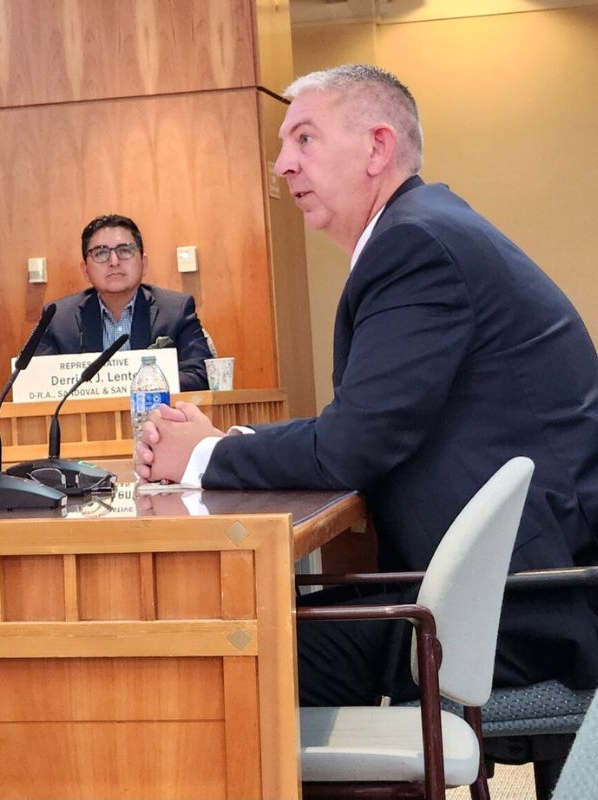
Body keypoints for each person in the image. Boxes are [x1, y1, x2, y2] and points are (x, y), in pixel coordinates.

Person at [136, 65, 598, 706]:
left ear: (377, 148)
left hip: (518, 608)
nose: (281, 166)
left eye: (304, 139)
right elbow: (362, 424)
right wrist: (223, 441)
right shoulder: (427, 229)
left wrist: (207, 456)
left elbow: (352, 444)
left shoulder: (416, 245)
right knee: (252, 626)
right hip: (496, 585)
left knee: (219, 660)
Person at [35, 214, 214, 390]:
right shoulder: (58, 318)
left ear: (144, 264)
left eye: (125, 250)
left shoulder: (175, 310)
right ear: (85, 271)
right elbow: (37, 383)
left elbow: (200, 374)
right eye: (100, 253)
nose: (114, 262)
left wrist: (130, 385)